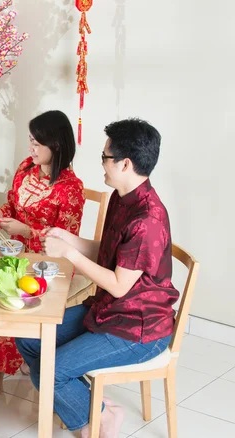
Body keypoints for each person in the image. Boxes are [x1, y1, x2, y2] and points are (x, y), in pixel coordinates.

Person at [16, 118, 178, 438]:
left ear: (125, 163)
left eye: (105, 157)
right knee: (29, 334)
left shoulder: (148, 219)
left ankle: (101, 415)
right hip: (109, 310)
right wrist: (68, 239)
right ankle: (94, 409)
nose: (101, 164)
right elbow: (107, 251)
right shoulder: (122, 195)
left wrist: (70, 254)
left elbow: (119, 284)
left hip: (137, 326)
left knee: (49, 371)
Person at [0, 110, 85, 397]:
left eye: (37, 144)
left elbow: (67, 239)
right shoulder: (26, 167)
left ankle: (29, 357)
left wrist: (25, 230)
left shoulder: (71, 188)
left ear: (57, 146)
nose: (31, 149)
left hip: (52, 261)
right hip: (16, 251)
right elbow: (12, 206)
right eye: (30, 141)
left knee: (15, 296)